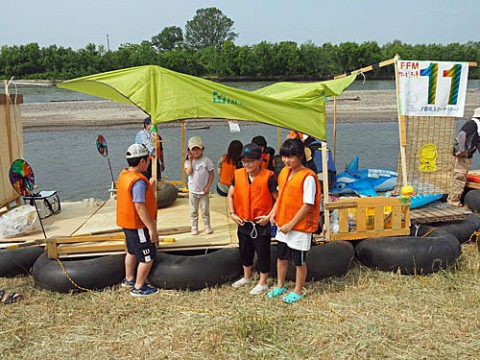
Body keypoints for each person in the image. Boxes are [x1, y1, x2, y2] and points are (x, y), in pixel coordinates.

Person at [268, 138, 321, 304]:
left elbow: (307, 205)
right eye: (284, 157)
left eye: (290, 157)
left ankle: (298, 291)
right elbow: (281, 196)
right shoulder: (284, 172)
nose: (286, 160)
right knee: (281, 257)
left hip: (299, 227)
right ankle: (280, 285)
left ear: (300, 157)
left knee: (299, 261)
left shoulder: (308, 177)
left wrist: (291, 224)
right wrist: (273, 213)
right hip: (283, 224)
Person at [228, 143, 278, 295]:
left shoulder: (269, 177)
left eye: (250, 160)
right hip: (243, 221)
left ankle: (263, 282)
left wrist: (269, 217)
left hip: (261, 223)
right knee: (245, 250)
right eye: (244, 161)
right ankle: (247, 276)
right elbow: (230, 194)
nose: (247, 164)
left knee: (262, 252)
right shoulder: (238, 175)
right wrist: (232, 214)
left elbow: (278, 199)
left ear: (259, 161)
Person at [116, 143, 158, 297]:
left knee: (132, 251)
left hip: (126, 224)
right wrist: (151, 228)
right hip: (138, 225)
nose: (148, 163)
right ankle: (139, 287)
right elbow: (139, 206)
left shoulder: (124, 175)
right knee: (148, 256)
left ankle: (129, 279)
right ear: (142, 161)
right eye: (147, 160)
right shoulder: (138, 182)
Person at [447, 107, 480, 206]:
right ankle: (453, 202)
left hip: (467, 156)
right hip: (463, 156)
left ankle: (453, 199)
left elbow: (477, 142)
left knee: (460, 176)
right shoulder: (472, 124)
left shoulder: (477, 126)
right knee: (459, 177)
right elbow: (462, 135)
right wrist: (462, 150)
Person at [185, 136, 214, 235]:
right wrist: (190, 161)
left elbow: (211, 174)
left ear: (202, 150)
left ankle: (207, 225)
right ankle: (194, 226)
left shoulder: (206, 160)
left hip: (203, 191)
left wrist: (208, 186)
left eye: (198, 149)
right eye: (193, 150)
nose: (196, 152)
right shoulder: (188, 162)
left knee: (205, 209)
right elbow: (188, 173)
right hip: (193, 190)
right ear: (189, 151)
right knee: (193, 210)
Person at [135, 116, 165, 181]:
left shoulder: (157, 136)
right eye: (152, 124)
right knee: (145, 180)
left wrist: (162, 162)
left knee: (157, 180)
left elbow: (161, 150)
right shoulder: (141, 135)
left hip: (156, 161)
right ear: (147, 125)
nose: (155, 126)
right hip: (145, 162)